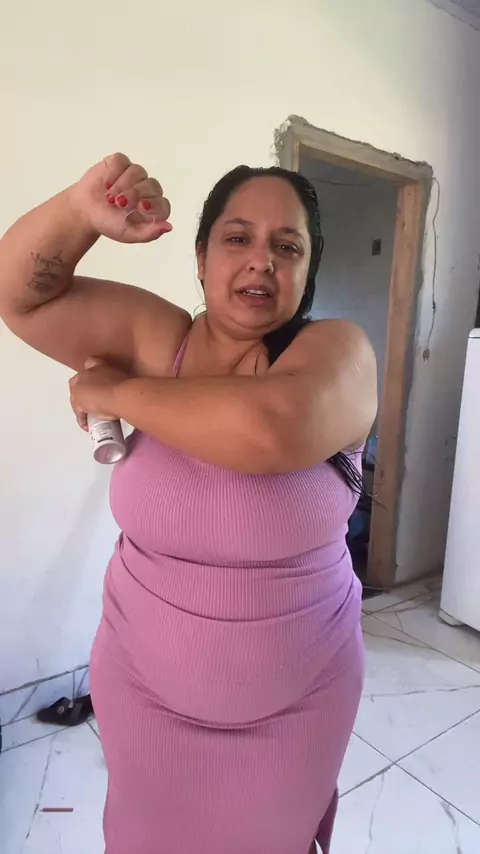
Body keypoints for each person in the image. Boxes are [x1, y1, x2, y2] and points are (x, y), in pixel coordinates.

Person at [0, 153, 377, 854]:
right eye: (238, 238)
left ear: (307, 271)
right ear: (200, 258)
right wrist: (80, 213)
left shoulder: (337, 351)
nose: (262, 260)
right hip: (142, 691)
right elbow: (22, 298)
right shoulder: (158, 341)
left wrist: (113, 393)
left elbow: (270, 429)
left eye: (287, 246)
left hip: (298, 704)